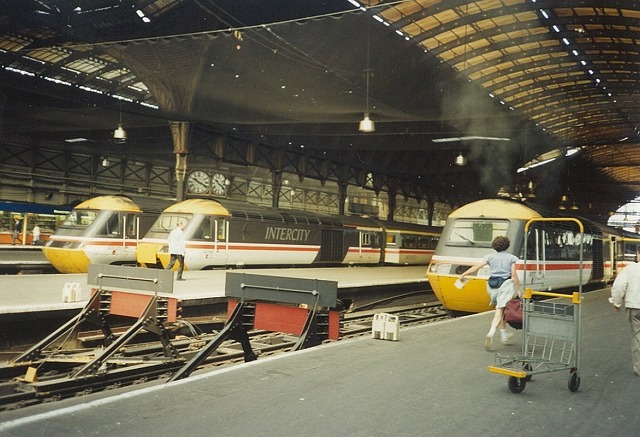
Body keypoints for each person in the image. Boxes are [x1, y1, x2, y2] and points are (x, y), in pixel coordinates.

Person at [459, 235, 521, 350]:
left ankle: (504, 334)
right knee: (499, 310)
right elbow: (513, 274)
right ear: (507, 246)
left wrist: (464, 274)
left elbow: (476, 267)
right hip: (505, 285)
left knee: (501, 309)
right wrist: (518, 290)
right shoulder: (512, 258)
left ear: (494, 246)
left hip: (492, 285)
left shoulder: (489, 257)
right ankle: (491, 332)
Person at [610, 257, 640, 376]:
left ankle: (639, 367)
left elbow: (619, 286)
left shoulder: (630, 269)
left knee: (637, 336)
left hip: (634, 307)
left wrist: (617, 303)